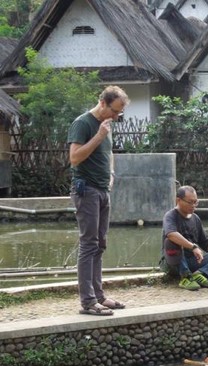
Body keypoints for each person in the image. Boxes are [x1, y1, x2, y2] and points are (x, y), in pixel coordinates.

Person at [69, 85, 129, 316]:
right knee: (88, 243)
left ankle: (99, 296)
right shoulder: (83, 123)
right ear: (102, 103)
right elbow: (74, 158)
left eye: (119, 114)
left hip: (103, 190)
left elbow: (108, 152)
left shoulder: (107, 125)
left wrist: (112, 174)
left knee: (100, 244)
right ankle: (88, 302)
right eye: (114, 111)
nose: (116, 117)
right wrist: (99, 136)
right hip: (86, 190)